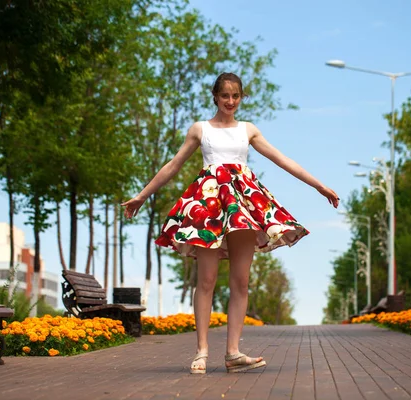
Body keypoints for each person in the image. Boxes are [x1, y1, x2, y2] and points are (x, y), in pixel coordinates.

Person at [121, 72, 339, 374]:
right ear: (215, 96)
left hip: (243, 204)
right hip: (208, 204)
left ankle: (233, 353)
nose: (230, 101)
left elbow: (281, 159)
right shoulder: (200, 130)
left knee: (241, 280)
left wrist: (319, 186)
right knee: (207, 280)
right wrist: (142, 196)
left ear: (242, 97)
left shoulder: (248, 130)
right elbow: (174, 164)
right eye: (225, 95)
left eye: (236, 96)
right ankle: (201, 351)